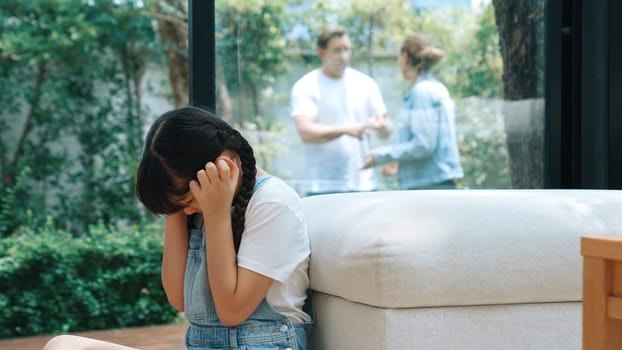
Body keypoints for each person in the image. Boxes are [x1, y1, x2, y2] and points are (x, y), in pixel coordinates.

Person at [42, 106, 313, 350]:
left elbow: (232, 311)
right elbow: (178, 297)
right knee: (63, 345)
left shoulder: (273, 203)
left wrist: (216, 215)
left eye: (187, 202)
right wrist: (173, 209)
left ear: (224, 167)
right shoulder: (198, 208)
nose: (189, 210)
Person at [290, 25, 392, 196]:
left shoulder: (366, 84)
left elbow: (386, 130)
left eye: (347, 49)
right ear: (322, 53)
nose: (343, 56)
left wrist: (382, 127)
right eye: (337, 50)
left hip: (364, 185)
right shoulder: (306, 85)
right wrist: (345, 129)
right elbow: (305, 131)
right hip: (322, 187)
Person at [361, 33, 463, 189]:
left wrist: (381, 156)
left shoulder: (421, 93)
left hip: (428, 188)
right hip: (437, 182)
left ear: (405, 57)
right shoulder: (438, 88)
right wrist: (402, 166)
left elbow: (424, 144)